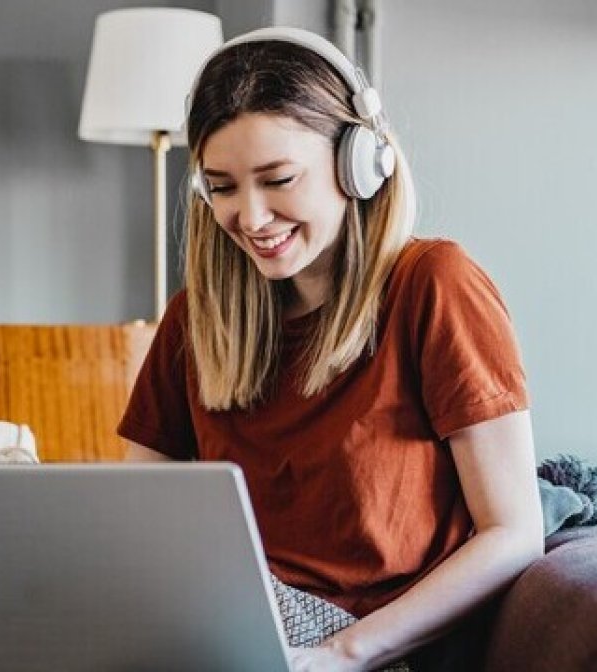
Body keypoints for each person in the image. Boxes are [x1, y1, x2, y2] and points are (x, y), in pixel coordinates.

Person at [118, 26, 544, 671]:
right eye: (223, 187)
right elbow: (134, 525)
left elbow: (513, 535)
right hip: (217, 631)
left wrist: (340, 655)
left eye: (279, 178)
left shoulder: (434, 284)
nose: (252, 217)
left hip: (356, 645)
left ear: (360, 162)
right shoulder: (195, 321)